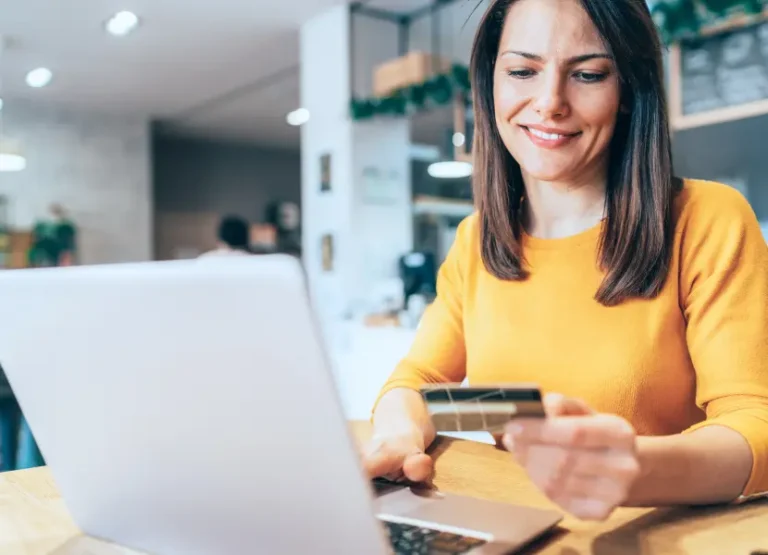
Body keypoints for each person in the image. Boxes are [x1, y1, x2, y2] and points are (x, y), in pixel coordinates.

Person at [363, 0, 768, 522]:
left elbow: (756, 422)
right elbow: (423, 386)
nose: (550, 101)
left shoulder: (706, 220)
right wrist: (401, 433)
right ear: (492, 83)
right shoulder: (476, 240)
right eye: (522, 70)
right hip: (518, 530)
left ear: (627, 91)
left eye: (588, 74)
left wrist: (635, 470)